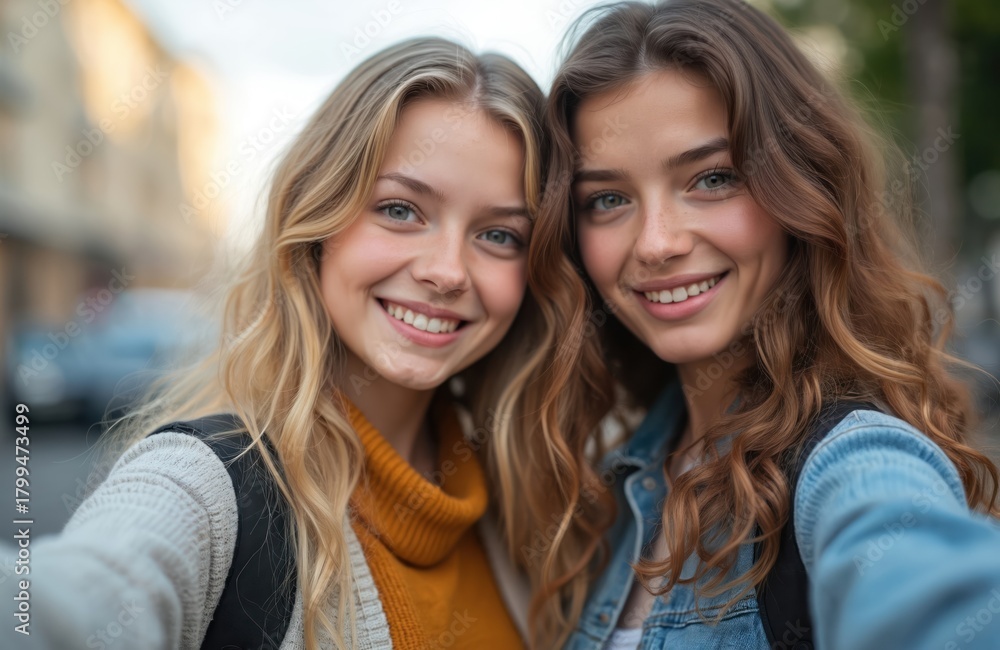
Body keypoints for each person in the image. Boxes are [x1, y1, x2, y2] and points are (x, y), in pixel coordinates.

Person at [0, 37, 612, 650]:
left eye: (500, 235)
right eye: (401, 210)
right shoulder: (206, 487)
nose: (447, 271)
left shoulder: (528, 495)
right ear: (317, 223)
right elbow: (61, 605)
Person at [537, 1, 1000, 648]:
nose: (656, 243)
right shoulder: (619, 478)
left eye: (712, 178)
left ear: (800, 189)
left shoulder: (853, 461)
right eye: (608, 199)